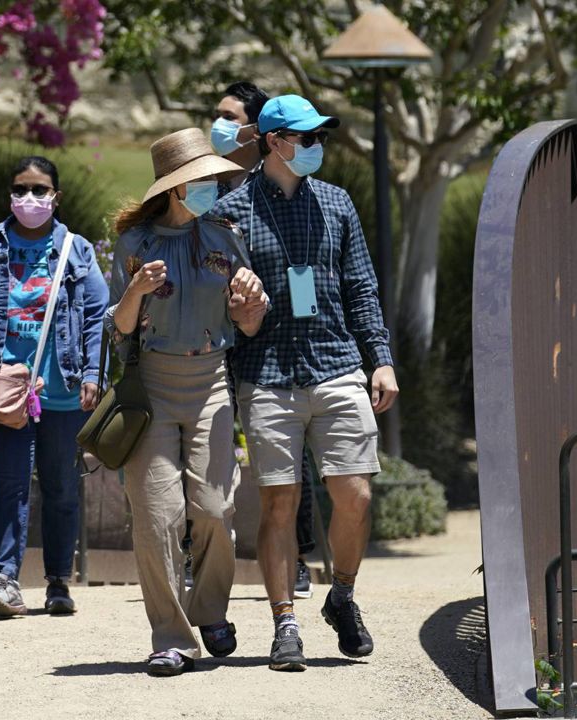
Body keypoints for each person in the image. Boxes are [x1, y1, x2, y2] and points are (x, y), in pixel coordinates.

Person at [214, 94, 399, 672]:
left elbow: (361, 289)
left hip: (337, 362)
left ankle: (341, 597)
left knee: (356, 494)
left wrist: (381, 359)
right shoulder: (231, 213)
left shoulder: (337, 203)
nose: (316, 146)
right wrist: (239, 309)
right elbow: (219, 304)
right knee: (278, 502)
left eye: (320, 136)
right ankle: (284, 623)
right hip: (266, 373)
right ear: (274, 140)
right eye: (306, 137)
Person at [106, 128, 267, 676]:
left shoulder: (225, 238)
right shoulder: (135, 246)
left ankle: (211, 609)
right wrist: (136, 291)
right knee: (157, 518)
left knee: (216, 510)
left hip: (211, 384)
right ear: (178, 188)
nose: (214, 189)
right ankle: (171, 637)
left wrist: (252, 302)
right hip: (150, 387)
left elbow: (249, 321)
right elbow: (119, 329)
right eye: (203, 182)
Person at [0, 156, 108, 617]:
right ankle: (5, 578)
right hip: (6, 387)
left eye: (40, 190)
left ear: (56, 196)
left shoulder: (77, 248)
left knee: (62, 486)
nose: (29, 199)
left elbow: (95, 316)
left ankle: (57, 581)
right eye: (20, 189)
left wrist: (93, 374)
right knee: (8, 483)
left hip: (63, 387)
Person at [212, 80, 318, 600]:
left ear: (260, 131)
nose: (222, 126)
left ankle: (296, 557)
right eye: (218, 115)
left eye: (232, 117)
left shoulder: (297, 191)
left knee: (289, 461)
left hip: (275, 352)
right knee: (211, 449)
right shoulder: (209, 184)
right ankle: (204, 553)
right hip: (218, 343)